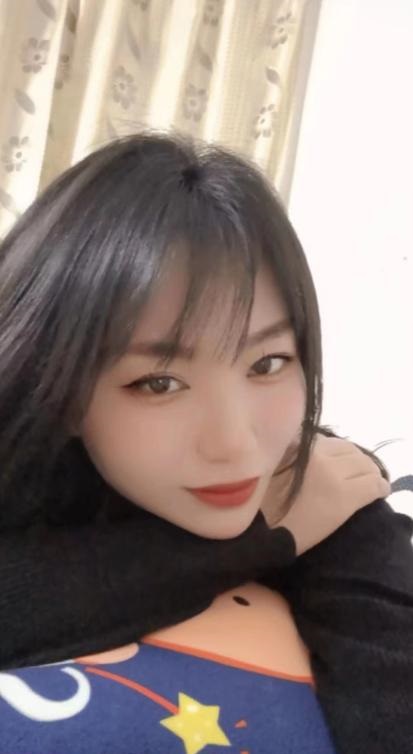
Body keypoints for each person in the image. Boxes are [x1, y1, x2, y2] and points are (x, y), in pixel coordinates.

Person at [0, 132, 411, 753]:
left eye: (268, 363)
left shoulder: (323, 482)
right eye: (159, 382)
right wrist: (270, 533)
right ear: (60, 382)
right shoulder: (23, 466)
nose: (237, 445)